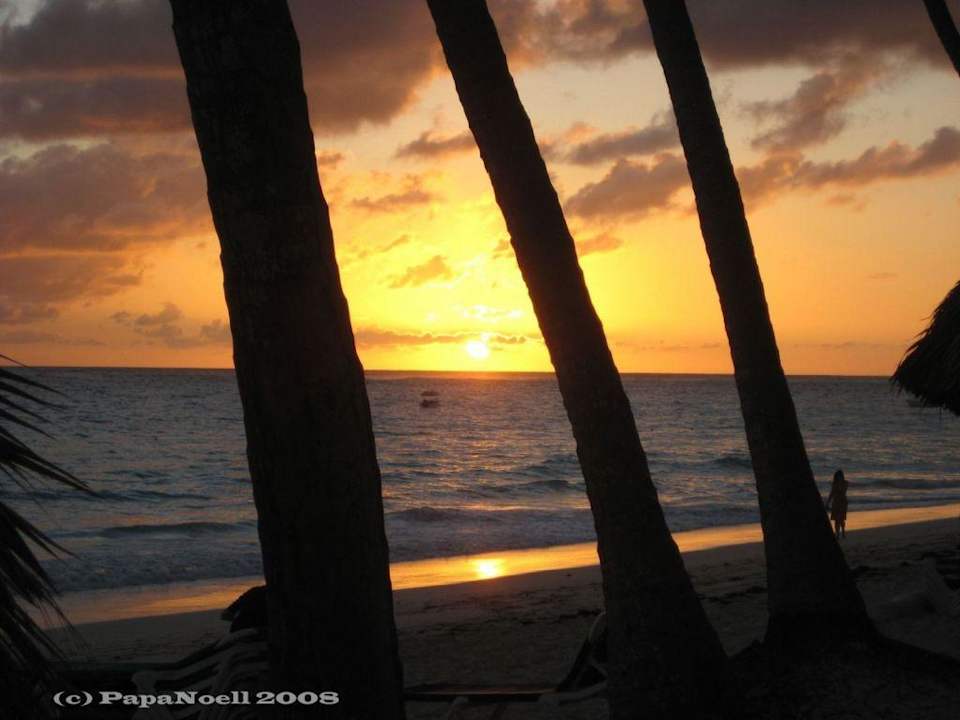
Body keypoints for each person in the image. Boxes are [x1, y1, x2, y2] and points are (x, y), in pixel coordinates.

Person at [825, 469, 848, 540]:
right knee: (836, 520)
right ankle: (837, 534)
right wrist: (827, 502)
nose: (839, 477)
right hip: (835, 503)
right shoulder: (834, 483)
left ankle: (843, 531)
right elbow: (831, 493)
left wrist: (839, 484)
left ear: (842, 476)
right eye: (838, 476)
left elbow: (842, 491)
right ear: (836, 477)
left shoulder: (845, 483)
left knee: (841, 519)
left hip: (843, 503)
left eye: (840, 476)